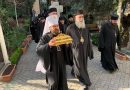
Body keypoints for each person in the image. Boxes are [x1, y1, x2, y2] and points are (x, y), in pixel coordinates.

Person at [36, 16, 68, 90]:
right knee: (53, 84)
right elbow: (38, 49)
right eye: (54, 26)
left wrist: (68, 45)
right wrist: (48, 45)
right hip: (52, 65)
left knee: (63, 83)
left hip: (61, 64)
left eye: (57, 26)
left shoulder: (62, 36)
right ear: (49, 27)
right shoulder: (45, 37)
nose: (56, 27)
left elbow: (67, 50)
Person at [66, 10, 93, 90]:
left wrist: (89, 50)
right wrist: (70, 47)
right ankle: (84, 82)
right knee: (79, 66)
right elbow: (67, 41)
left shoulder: (85, 27)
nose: (81, 18)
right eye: (79, 17)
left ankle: (74, 71)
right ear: (75, 18)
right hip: (75, 51)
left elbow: (88, 40)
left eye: (82, 17)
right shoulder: (70, 28)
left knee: (83, 65)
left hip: (84, 51)